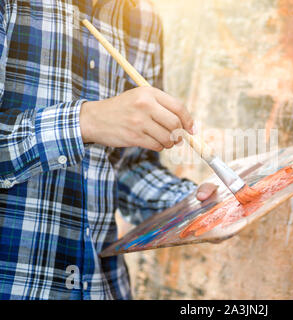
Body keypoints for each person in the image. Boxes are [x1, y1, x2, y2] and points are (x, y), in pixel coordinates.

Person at [0, 0, 216, 299]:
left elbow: (127, 167)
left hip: (105, 287)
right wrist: (84, 121)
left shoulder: (144, 19)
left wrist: (190, 206)